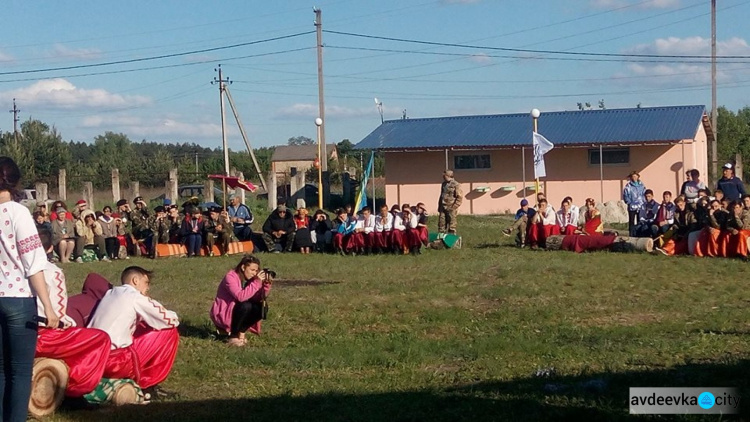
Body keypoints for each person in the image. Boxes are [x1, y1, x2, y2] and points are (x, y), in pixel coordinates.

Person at [0, 156, 59, 422]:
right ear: (15, 181)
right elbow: (33, 262)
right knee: (21, 372)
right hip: (18, 298)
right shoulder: (18, 212)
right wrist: (49, 306)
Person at [33, 230, 112, 398]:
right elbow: (58, 313)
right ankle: (77, 388)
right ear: (49, 249)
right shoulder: (52, 271)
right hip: (43, 335)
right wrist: (69, 324)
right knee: (99, 339)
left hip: (13, 329)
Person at [88, 266, 180, 398]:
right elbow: (168, 319)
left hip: (93, 356)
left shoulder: (110, 294)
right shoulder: (134, 296)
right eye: (146, 283)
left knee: (142, 325)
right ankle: (148, 385)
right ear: (135, 280)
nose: (147, 288)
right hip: (113, 360)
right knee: (169, 332)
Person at [209, 255, 272, 347]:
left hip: (237, 309)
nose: (254, 273)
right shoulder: (230, 277)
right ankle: (233, 336)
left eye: (256, 271)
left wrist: (266, 285)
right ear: (243, 267)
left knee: (262, 307)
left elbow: (257, 298)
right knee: (245, 305)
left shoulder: (251, 280)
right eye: (252, 270)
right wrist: (256, 282)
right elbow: (240, 297)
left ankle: (241, 331)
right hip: (224, 312)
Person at [437, 169, 463, 234]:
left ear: (448, 176)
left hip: (451, 207)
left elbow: (459, 197)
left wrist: (454, 207)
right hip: (443, 207)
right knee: (441, 224)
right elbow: (442, 195)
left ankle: (452, 241)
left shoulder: (456, 184)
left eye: (444, 176)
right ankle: (441, 241)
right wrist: (439, 206)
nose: (443, 177)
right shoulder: (444, 184)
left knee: (452, 226)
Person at [623, 170, 646, 237]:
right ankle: (632, 235)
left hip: (640, 206)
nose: (634, 178)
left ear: (638, 177)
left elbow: (644, 194)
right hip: (632, 206)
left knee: (640, 220)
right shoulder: (628, 186)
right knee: (631, 221)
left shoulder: (642, 185)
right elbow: (625, 195)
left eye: (636, 176)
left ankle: (639, 234)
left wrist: (644, 203)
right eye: (633, 176)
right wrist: (629, 203)